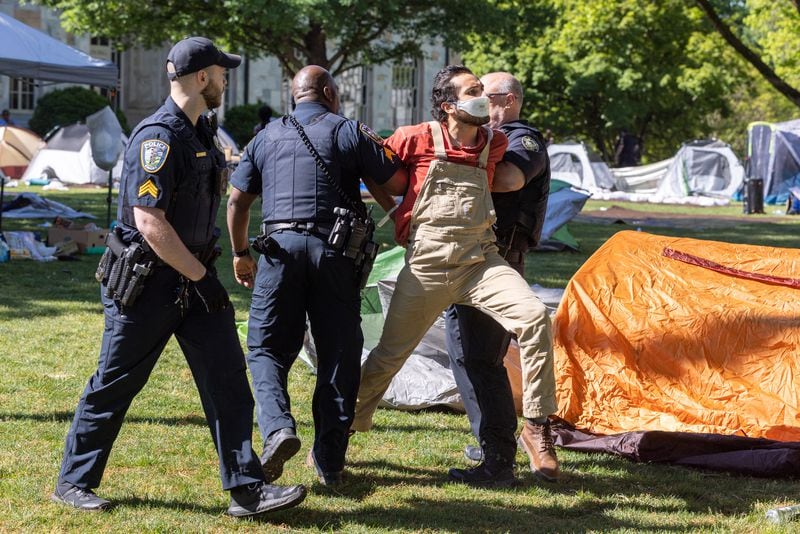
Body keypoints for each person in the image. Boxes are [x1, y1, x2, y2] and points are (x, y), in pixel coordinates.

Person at [52, 36, 306, 517]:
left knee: (228, 382)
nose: (227, 79)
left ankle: (247, 490)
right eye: (222, 72)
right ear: (202, 78)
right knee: (115, 383)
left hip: (194, 278)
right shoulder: (158, 137)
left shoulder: (201, 133)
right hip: (150, 284)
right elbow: (150, 222)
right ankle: (73, 482)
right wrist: (202, 278)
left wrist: (203, 276)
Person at [352, 65, 558, 487]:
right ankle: (341, 430)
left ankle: (536, 426)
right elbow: (376, 169)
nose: (482, 97)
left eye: (484, 90)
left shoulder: (497, 143)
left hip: (480, 261)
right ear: (449, 105)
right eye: (474, 91)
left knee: (535, 317)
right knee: (388, 357)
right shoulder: (415, 136)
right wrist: (395, 209)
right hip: (427, 265)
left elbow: (512, 176)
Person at [227, 65, 405, 486]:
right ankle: (329, 460)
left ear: (294, 96)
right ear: (328, 92)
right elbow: (396, 183)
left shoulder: (264, 137)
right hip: (335, 253)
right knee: (339, 355)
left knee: (266, 348)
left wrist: (239, 254)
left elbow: (236, 203)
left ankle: (278, 429)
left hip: (278, 252)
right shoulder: (348, 131)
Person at [445, 72, 558, 482]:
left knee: (482, 358)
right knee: (463, 352)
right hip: (468, 258)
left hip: (496, 261)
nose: (474, 101)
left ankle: (501, 458)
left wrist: (456, 163)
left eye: (482, 95)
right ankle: (491, 444)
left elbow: (510, 178)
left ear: (506, 101)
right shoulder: (488, 141)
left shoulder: (523, 137)